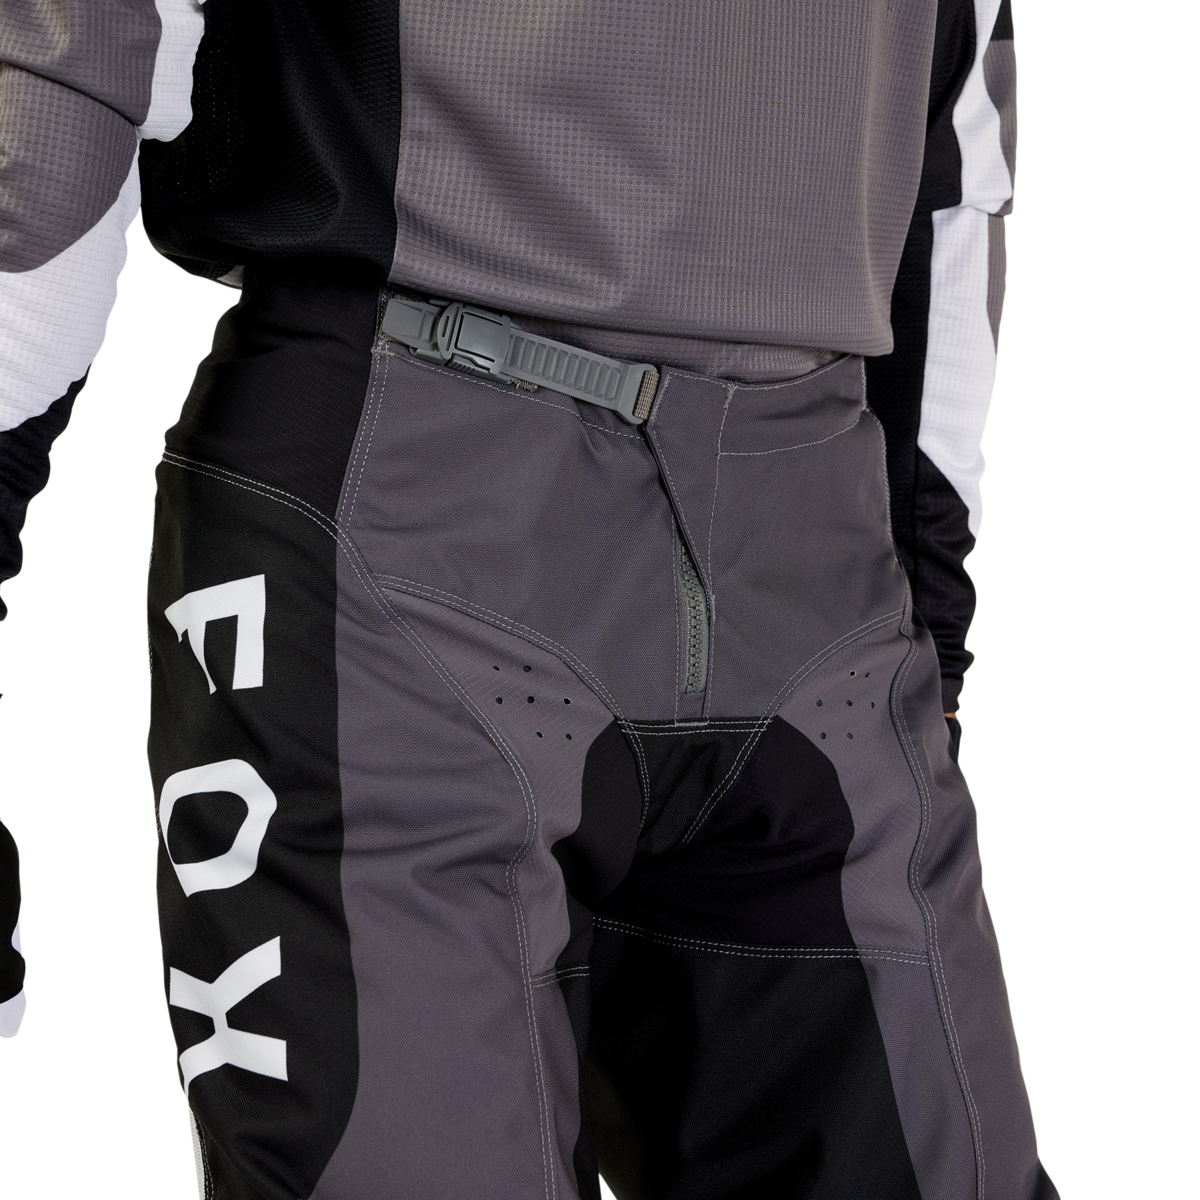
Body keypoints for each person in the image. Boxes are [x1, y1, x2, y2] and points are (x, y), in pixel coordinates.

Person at [0, 1, 1056, 1197]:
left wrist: (926, 616)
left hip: (815, 572)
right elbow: (63, 87)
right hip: (404, 540)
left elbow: (949, 132)